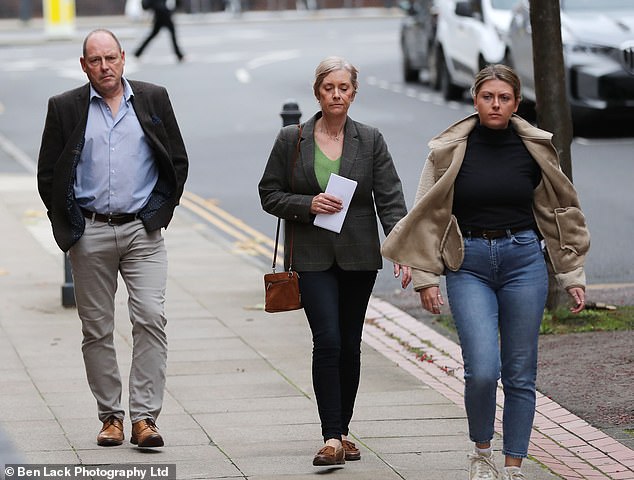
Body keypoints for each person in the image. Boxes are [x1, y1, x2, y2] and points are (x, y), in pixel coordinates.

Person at [381, 64, 590, 480]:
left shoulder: (534, 148)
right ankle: (481, 453)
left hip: (523, 261)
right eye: (487, 97)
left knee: (519, 371)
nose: (496, 105)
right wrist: (425, 278)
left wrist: (571, 275)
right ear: (474, 100)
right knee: (482, 370)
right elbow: (426, 213)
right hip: (469, 262)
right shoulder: (450, 148)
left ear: (516, 102)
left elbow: (559, 213)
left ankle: (513, 464)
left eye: (505, 98)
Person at [37, 29, 189, 448]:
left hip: (142, 230)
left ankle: (144, 419)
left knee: (150, 319)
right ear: (83, 65)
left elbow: (176, 162)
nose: (105, 67)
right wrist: (68, 225)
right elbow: (48, 174)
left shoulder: (153, 98)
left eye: (111, 58)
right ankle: (111, 417)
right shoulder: (65, 107)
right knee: (97, 329)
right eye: (95, 60)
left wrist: (157, 213)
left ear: (123, 58)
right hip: (90, 233)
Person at [258, 56, 411, 467]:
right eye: (330, 88)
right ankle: (330, 437)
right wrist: (308, 203)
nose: (337, 95)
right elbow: (268, 193)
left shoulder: (371, 139)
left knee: (350, 345)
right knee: (327, 341)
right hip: (311, 256)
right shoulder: (292, 139)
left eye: (344, 88)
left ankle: (343, 430)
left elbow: (391, 197)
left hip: (359, 256)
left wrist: (400, 248)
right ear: (318, 92)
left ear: (354, 93)